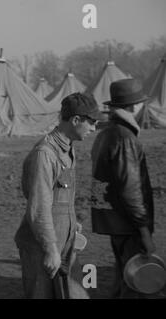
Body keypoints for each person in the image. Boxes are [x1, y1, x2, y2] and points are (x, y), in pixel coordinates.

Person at [15, 93, 105, 299]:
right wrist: (50, 249)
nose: (94, 128)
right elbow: (39, 209)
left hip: (63, 243)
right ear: (75, 120)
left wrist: (71, 222)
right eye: (91, 122)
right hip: (42, 247)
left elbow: (59, 198)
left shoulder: (66, 150)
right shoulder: (45, 154)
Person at [91, 78, 155, 298]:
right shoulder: (125, 138)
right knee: (137, 282)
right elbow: (131, 190)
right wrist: (143, 229)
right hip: (128, 224)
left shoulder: (105, 135)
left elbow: (99, 184)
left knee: (124, 277)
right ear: (135, 106)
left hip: (114, 221)